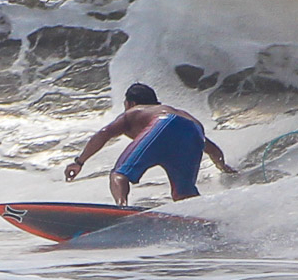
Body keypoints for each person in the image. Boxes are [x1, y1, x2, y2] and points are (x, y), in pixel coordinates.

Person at [64, 82, 237, 206]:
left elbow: (103, 134)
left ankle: (121, 208)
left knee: (119, 174)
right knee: (183, 195)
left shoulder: (135, 111)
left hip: (163, 124)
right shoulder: (179, 114)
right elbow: (211, 148)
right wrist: (223, 167)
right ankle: (196, 219)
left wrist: (79, 162)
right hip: (194, 131)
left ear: (130, 103)